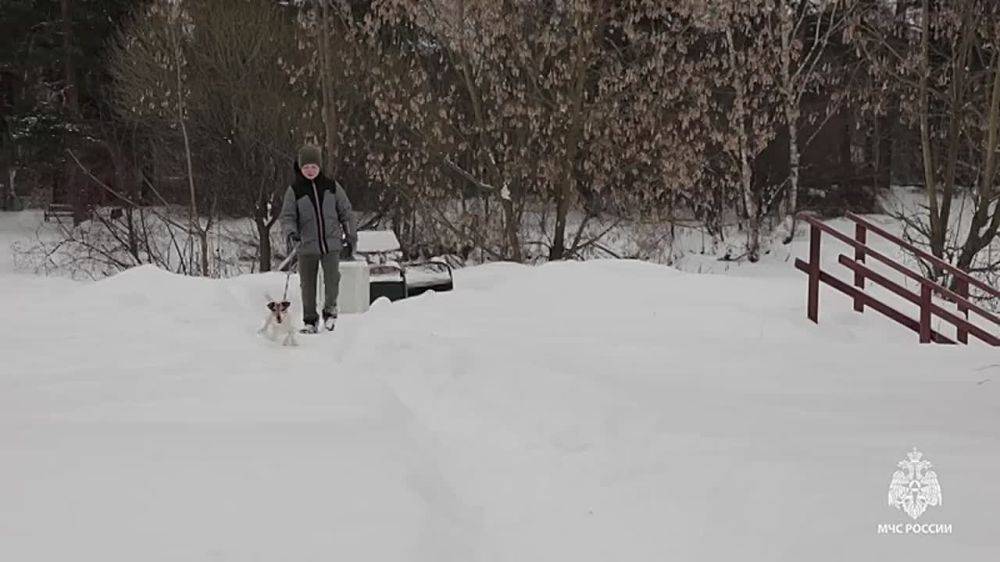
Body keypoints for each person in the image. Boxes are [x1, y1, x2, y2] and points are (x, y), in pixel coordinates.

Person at [280, 144, 357, 333]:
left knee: (332, 280)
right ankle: (310, 320)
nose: (310, 171)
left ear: (319, 167)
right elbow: (287, 216)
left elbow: (346, 211)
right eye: (306, 167)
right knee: (308, 285)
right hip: (306, 245)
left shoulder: (331, 186)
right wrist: (291, 233)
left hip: (331, 244)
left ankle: (330, 314)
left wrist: (350, 235)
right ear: (300, 168)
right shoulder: (294, 190)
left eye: (313, 167)